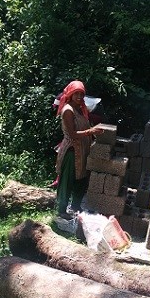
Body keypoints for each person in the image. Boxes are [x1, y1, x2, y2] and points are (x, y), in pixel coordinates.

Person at [55, 80, 103, 219]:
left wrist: (94, 132)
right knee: (67, 180)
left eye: (81, 94)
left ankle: (75, 206)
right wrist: (91, 131)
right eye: (76, 93)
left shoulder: (80, 109)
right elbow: (72, 134)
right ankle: (62, 210)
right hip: (71, 151)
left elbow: (84, 127)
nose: (79, 97)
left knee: (81, 179)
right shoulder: (68, 111)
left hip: (82, 150)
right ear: (70, 94)